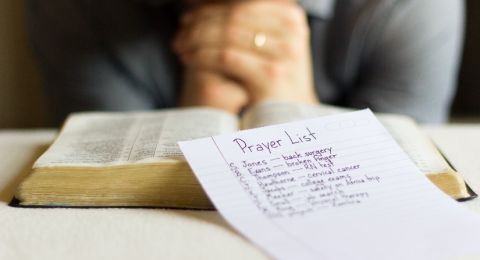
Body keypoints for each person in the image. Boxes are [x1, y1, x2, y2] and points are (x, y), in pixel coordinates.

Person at [27, 0, 464, 125]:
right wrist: (205, 112)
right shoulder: (76, 10)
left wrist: (293, 114)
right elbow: (99, 201)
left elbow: (413, 189)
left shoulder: (411, 7)